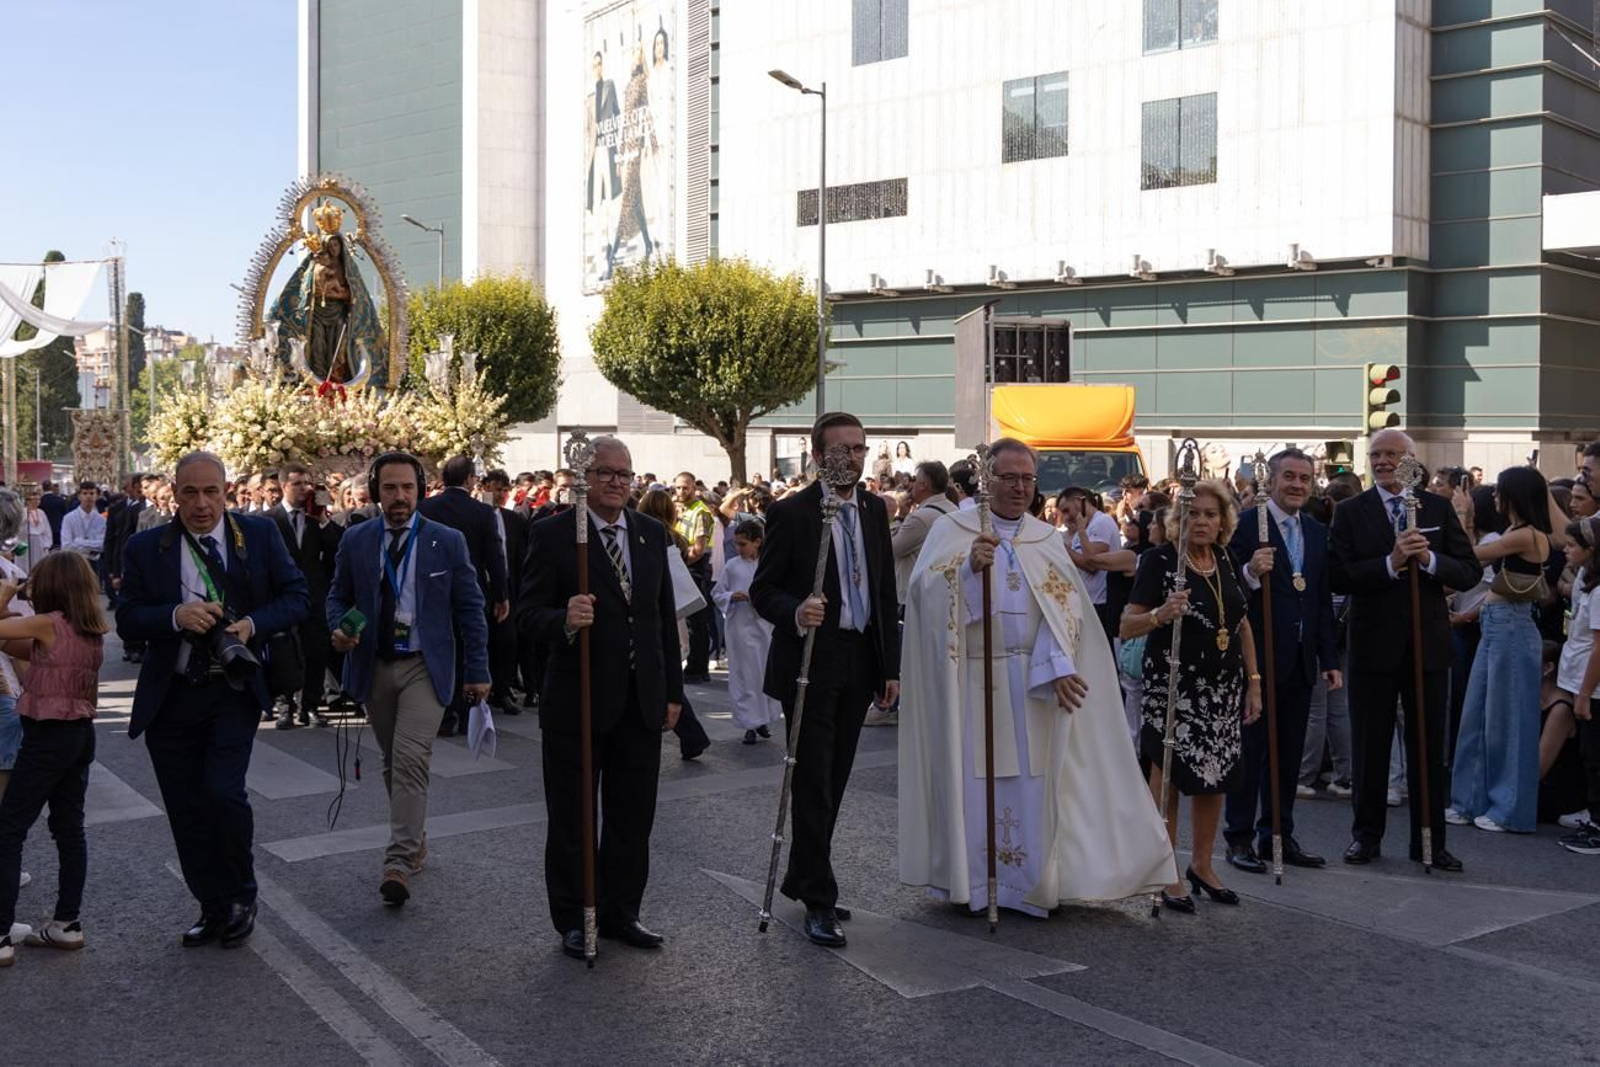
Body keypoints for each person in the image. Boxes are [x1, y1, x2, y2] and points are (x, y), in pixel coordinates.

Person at [900, 439, 1174, 918]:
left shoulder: (1044, 538)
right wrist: (966, 571)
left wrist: (1059, 664)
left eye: (1027, 479)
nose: (1020, 487)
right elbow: (923, 597)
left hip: (1034, 683)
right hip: (973, 682)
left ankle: (1030, 884)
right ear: (987, 480)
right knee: (975, 778)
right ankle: (979, 883)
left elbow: (1067, 609)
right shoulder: (954, 529)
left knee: (1034, 783)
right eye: (1009, 478)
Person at [116, 451, 310, 948]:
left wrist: (252, 625)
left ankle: (242, 893)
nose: (201, 505)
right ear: (173, 494)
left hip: (232, 690)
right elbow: (128, 618)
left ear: (226, 491)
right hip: (173, 695)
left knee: (223, 794)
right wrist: (175, 616)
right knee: (185, 808)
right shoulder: (145, 547)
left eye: (211, 492)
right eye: (189, 493)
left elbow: (296, 598)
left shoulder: (259, 536)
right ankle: (211, 904)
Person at [519, 435, 683, 960]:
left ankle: (621, 911)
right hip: (579, 699)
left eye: (624, 474)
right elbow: (526, 616)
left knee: (633, 816)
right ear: (584, 479)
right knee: (572, 817)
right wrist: (563, 619)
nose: (616, 482)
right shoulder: (553, 534)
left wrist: (673, 693)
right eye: (606, 473)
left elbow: (661, 617)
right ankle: (574, 915)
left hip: (641, 698)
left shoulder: (652, 533)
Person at [750, 412, 900, 948]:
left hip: (859, 657)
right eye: (842, 450)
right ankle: (818, 896)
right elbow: (765, 590)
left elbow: (883, 591)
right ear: (817, 456)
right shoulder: (792, 514)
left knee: (834, 778)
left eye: (860, 448)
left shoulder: (876, 510)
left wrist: (889, 667)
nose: (853, 458)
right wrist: (797, 610)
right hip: (812, 658)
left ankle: (805, 874)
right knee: (811, 778)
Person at [327, 453, 490, 906]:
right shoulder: (357, 540)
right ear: (375, 492)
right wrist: (339, 627)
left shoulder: (447, 541)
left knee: (410, 756)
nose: (399, 498)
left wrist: (478, 671)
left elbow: (470, 609)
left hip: (426, 665)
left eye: (407, 489)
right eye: (390, 489)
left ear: (421, 490)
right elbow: (337, 595)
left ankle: (397, 860)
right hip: (374, 664)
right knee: (391, 760)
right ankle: (414, 835)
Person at [1330, 429, 1481, 871]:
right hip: (1372, 645)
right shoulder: (1351, 511)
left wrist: (1429, 561)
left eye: (1392, 454)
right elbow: (1339, 575)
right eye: (1376, 454)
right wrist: (1390, 564)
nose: (1383, 462)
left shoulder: (1434, 507)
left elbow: (1469, 569)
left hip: (1428, 647)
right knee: (1370, 747)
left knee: (1428, 750)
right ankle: (1366, 836)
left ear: (1412, 461)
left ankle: (1430, 841)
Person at [1123, 479, 1262, 913]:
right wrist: (1162, 615)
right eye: (1193, 514)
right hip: (1174, 689)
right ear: (1177, 519)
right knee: (1168, 782)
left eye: (1210, 514)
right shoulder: (1158, 561)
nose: (1202, 521)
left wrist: (1254, 681)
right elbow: (1126, 625)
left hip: (1222, 688)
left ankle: (1203, 865)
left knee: (1214, 780)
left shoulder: (1223, 557)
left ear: (1223, 522)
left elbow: (1241, 623)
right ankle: (1167, 872)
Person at [1223, 449, 1341, 874]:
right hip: (1257, 658)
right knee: (1251, 752)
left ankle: (1278, 832)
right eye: (1288, 476)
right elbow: (1224, 585)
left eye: (1305, 478)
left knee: (1288, 754)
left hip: (1300, 657)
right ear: (1271, 481)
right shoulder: (1246, 525)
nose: (1297, 485)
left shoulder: (1313, 528)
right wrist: (1251, 572)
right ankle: (1238, 837)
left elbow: (1320, 597)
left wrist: (1328, 655)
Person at [0, 552, 107, 966]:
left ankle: (1, 934)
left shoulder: (47, 623)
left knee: (9, 829)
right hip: (80, 735)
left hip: (47, 737)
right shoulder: (88, 628)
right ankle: (67, 924)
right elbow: (14, 644)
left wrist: (8, 594)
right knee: (68, 828)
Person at [1448, 466, 1551, 833]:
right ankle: (1469, 800)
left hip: (1512, 626)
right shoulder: (1515, 532)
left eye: (1499, 492)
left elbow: (1470, 555)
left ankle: (1508, 809)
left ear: (1514, 496)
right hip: (1497, 625)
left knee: (1507, 721)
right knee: (1475, 715)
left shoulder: (1527, 535)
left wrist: (1462, 514)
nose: (1493, 497)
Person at [418, 456, 508, 736]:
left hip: (432, 588)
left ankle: (442, 711)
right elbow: (495, 556)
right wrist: (501, 595)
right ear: (469, 479)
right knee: (470, 644)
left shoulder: (425, 507)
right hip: (471, 588)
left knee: (438, 646)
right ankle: (466, 707)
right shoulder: (482, 512)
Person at [635, 489, 712, 759]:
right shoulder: (674, 536)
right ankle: (692, 736)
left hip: (652, 611)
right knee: (664, 672)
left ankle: (692, 735)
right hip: (667, 610)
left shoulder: (646, 533)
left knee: (661, 674)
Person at [269, 464, 344, 729]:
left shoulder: (317, 519)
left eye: (307, 483)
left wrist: (323, 519)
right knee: (284, 650)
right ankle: (285, 706)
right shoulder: (270, 520)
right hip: (281, 595)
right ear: (283, 487)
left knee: (316, 651)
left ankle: (310, 706)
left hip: (314, 594)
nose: (304, 489)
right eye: (298, 483)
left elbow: (338, 549)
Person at [1555, 516, 1600, 854]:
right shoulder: (1586, 578)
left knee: (1595, 756)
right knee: (1587, 755)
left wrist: (1584, 695)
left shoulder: (1599, 591)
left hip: (1592, 687)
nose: (1566, 550)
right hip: (1579, 680)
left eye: (1573, 546)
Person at [713, 520, 780, 745]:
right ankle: (749, 723)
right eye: (736, 544)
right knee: (744, 675)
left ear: (757, 542)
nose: (739, 548)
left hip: (764, 627)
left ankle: (763, 719)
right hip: (740, 628)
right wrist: (732, 596)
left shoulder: (768, 565)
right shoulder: (732, 566)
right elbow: (717, 592)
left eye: (743, 544)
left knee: (763, 673)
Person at [479, 470, 532, 715]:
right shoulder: (474, 515)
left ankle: (502, 689)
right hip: (481, 588)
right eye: (495, 489)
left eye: (503, 490)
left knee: (507, 641)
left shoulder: (513, 520)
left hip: (507, 588)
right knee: (481, 640)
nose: (499, 494)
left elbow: (520, 556)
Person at [1058, 487, 1122, 642]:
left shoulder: (1101, 522)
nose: (1066, 517)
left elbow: (1092, 563)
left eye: (1067, 510)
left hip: (1100, 604)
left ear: (1079, 501)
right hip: (1087, 602)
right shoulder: (1086, 527)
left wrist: (1061, 548)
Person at [673, 473, 717, 682]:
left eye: (685, 488)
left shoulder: (701, 512)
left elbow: (698, 549)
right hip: (686, 564)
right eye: (678, 488)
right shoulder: (684, 509)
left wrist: (679, 565)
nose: (681, 492)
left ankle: (697, 668)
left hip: (694, 567)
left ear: (694, 488)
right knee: (691, 621)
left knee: (696, 620)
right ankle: (696, 666)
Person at [59, 482, 104, 560]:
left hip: (95, 563)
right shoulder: (68, 518)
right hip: (74, 561)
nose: (88, 496)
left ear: (97, 496)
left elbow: (102, 545)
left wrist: (78, 542)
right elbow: (66, 546)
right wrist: (91, 548)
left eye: (92, 493)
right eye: (85, 493)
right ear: (79, 496)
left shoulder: (101, 520)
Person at [37, 481, 66, 551]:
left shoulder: (40, 501)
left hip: (44, 530)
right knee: (58, 551)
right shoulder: (60, 500)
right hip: (58, 529)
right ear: (51, 487)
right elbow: (64, 514)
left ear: (43, 488)